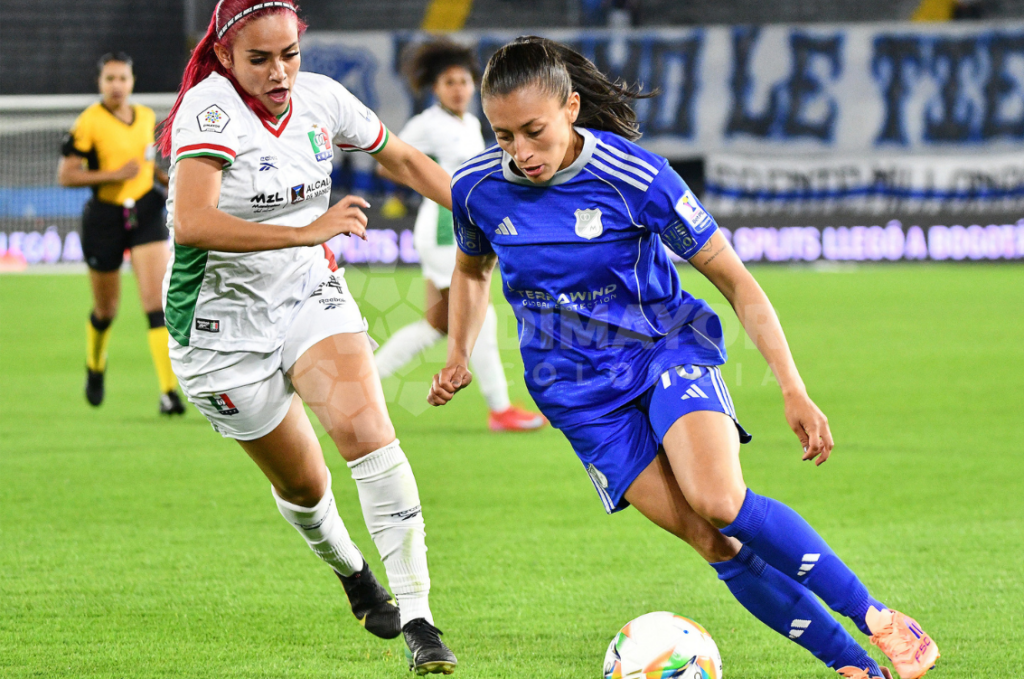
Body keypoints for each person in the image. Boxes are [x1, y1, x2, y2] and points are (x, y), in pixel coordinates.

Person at [429, 37, 939, 679]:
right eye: (504, 136)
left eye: (534, 131)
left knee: (720, 500)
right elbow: (470, 270)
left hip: (663, 351)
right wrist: (459, 351)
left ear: (571, 108)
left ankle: (882, 621)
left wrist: (792, 387)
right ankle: (856, 669)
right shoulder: (476, 187)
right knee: (712, 541)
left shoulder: (636, 178)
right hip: (574, 394)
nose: (521, 152)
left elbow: (737, 281)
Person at [157, 1, 456, 673]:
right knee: (304, 485)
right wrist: (306, 229)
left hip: (306, 294)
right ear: (225, 56)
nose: (280, 72)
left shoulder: (322, 99)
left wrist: (484, 214)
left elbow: (405, 160)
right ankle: (353, 572)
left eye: (289, 54)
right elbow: (194, 222)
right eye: (259, 58)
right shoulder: (209, 113)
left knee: (368, 434)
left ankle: (420, 619)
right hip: (218, 335)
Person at [374, 39, 545, 433]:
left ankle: (360, 381)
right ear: (435, 88)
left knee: (437, 325)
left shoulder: (469, 123)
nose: (458, 89)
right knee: (478, 312)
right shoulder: (427, 123)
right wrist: (430, 183)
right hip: (442, 229)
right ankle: (500, 408)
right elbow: (387, 163)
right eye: (449, 82)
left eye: (464, 81)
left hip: (461, 226)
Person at [59, 52, 185, 415]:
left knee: (156, 304)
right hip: (105, 217)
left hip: (145, 210)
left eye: (122, 78)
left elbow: (144, 164)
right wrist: (114, 175)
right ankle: (95, 365)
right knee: (106, 309)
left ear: (132, 82)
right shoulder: (89, 122)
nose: (116, 85)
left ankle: (168, 393)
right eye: (110, 79)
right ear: (100, 83)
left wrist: (164, 180)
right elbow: (66, 175)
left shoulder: (145, 117)